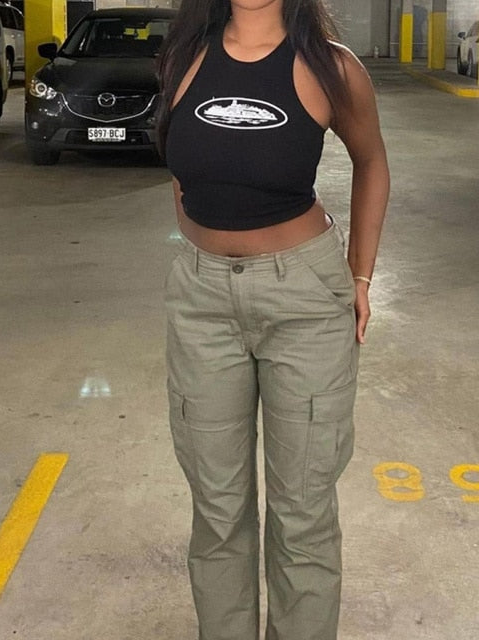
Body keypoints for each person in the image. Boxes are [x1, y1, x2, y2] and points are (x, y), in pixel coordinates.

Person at [156, 0, 389, 638]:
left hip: (305, 304)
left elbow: (372, 161)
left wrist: (359, 275)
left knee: (302, 512)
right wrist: (205, 249)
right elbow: (184, 174)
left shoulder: (332, 67)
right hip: (202, 302)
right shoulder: (183, 56)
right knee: (217, 509)